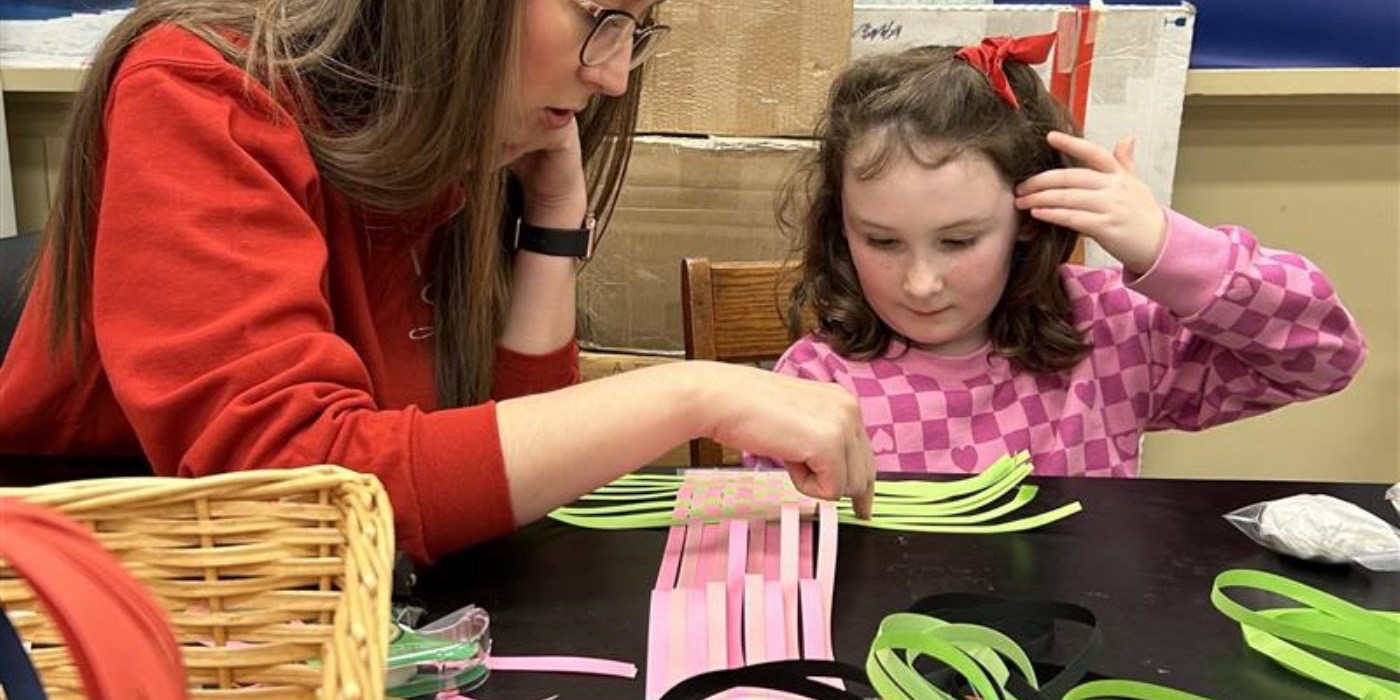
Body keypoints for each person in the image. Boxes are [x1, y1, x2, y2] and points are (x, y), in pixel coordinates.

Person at [0, 0, 875, 562]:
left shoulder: (456, 137)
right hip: (102, 573)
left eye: (637, 33)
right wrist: (689, 398)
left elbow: (493, 451)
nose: (612, 72)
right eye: (600, 16)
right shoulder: (203, 88)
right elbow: (301, 493)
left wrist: (555, 211)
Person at [754, 35, 1366, 477]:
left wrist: (1168, 248)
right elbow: (771, 557)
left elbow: (1324, 359)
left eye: (960, 240)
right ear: (842, 228)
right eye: (881, 241)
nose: (919, 284)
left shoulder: (1109, 334)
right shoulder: (815, 384)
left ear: (1028, 217)